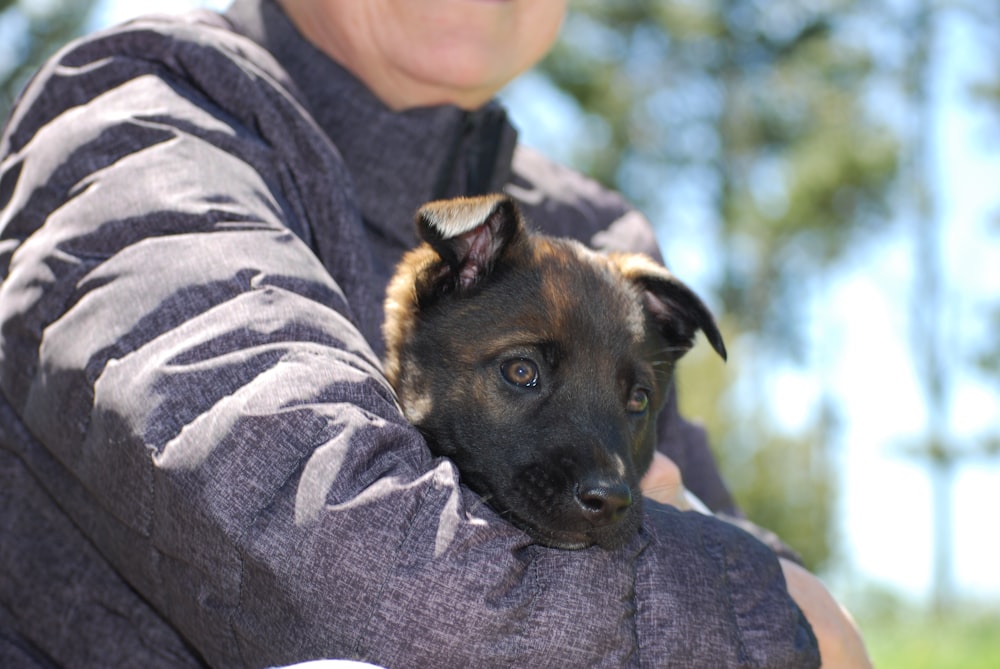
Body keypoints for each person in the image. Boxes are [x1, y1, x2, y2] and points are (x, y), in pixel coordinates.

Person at [0, 0, 870, 666]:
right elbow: (343, 564)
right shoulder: (144, 126)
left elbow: (749, 552)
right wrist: (759, 608)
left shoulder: (592, 238)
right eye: (524, 371)